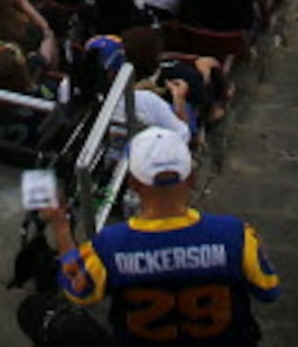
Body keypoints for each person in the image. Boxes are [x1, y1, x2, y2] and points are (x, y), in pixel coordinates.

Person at [48, 126, 278, 344]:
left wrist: (60, 225)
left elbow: (78, 291)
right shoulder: (234, 234)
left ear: (133, 183)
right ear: (191, 178)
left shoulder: (109, 245)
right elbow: (268, 289)